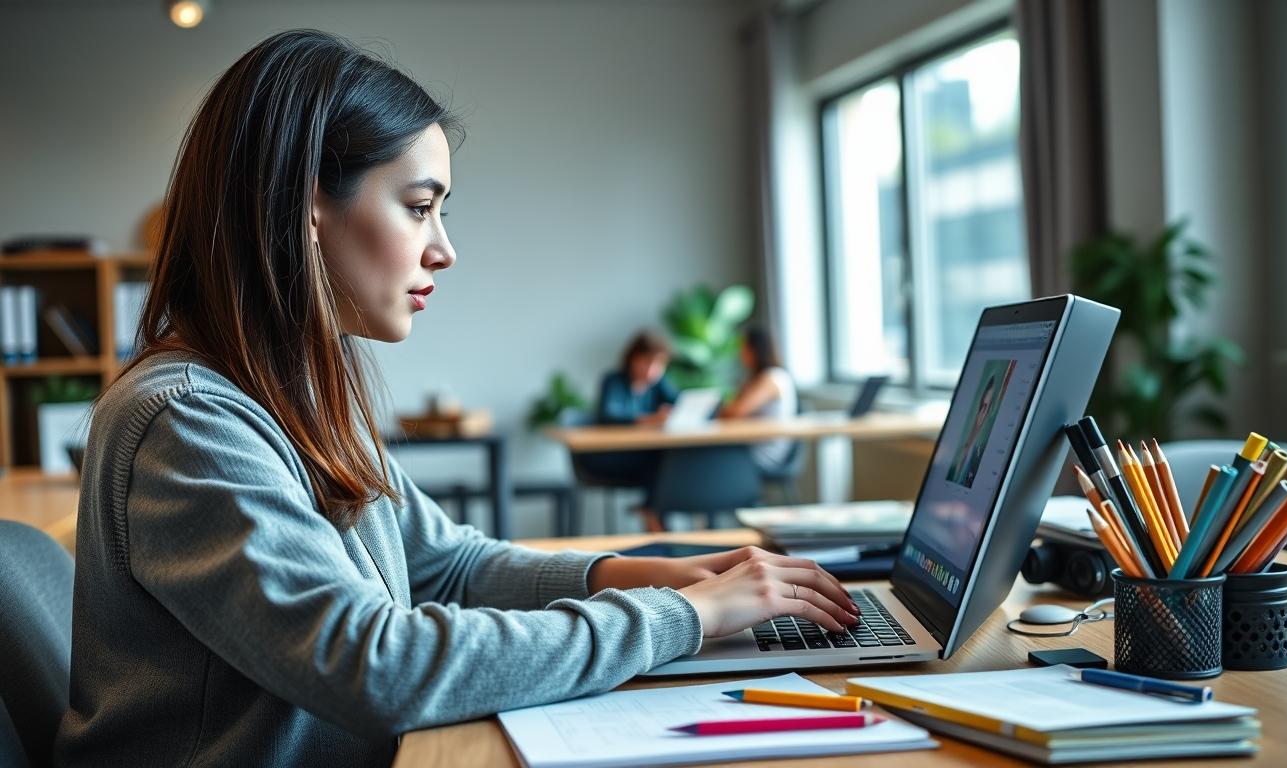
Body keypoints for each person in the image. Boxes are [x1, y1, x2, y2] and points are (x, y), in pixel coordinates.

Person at [54, 30, 859, 768]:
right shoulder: (188, 420)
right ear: (303, 207)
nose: (443, 248)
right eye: (417, 206)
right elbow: (374, 665)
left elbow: (449, 568)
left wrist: (651, 575)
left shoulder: (294, 393)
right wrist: (682, 618)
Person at [581, 330, 678, 531]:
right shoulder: (613, 380)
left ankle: (652, 511)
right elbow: (609, 416)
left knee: (671, 457)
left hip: (644, 455)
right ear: (633, 358)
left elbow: (678, 402)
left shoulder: (658, 384)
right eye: (647, 362)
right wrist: (650, 419)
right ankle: (654, 516)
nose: (653, 369)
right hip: (609, 455)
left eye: (659, 364)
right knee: (659, 458)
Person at [718, 325, 799, 473]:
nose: (740, 354)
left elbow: (735, 412)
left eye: (743, 349)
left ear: (755, 350)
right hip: (752, 446)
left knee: (709, 456)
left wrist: (720, 410)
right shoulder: (760, 378)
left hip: (764, 453)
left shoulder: (772, 378)